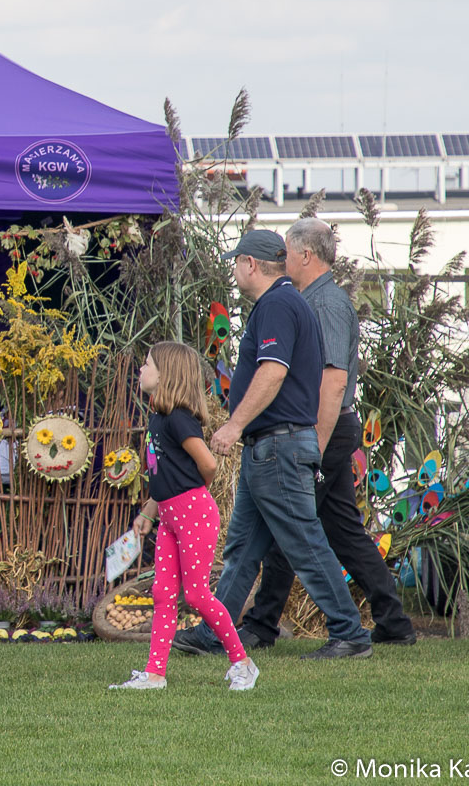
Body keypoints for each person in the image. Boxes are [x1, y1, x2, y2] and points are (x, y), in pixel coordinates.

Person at [176, 228, 372, 660]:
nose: (234, 270)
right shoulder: (286, 301)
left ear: (250, 264)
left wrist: (233, 426)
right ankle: (215, 632)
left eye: (236, 262)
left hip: (278, 446)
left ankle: (349, 632)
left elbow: (273, 371)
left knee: (304, 542)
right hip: (270, 446)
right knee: (244, 547)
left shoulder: (277, 305)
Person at [234, 218, 415, 650]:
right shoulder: (307, 300)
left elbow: (332, 382)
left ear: (305, 255)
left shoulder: (326, 304)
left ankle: (263, 624)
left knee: (291, 529)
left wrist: (313, 445)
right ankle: (393, 620)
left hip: (322, 429)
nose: (282, 260)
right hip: (323, 428)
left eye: (287, 252)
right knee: (341, 530)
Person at [111, 341, 258, 692]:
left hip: (193, 514)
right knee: (163, 593)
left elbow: (207, 464)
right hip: (169, 518)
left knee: (195, 595)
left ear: (167, 375)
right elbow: (164, 474)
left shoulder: (178, 419)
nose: (141, 370)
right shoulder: (158, 418)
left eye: (148, 364)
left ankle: (242, 663)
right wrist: (150, 511)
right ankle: (154, 674)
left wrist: (190, 496)